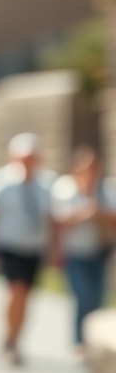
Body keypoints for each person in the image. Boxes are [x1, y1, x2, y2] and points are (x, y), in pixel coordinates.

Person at [0, 133, 55, 366]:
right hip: (10, 246)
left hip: (35, 247)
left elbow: (52, 219)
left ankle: (16, 338)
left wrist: (54, 249)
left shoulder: (46, 183)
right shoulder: (0, 182)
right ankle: (9, 339)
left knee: (27, 296)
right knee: (16, 291)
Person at [51, 145, 116, 349]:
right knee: (84, 295)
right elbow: (58, 219)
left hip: (100, 252)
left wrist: (98, 213)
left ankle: (94, 343)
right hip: (75, 253)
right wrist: (85, 213)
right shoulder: (65, 188)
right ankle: (80, 341)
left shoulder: (105, 189)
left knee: (98, 298)